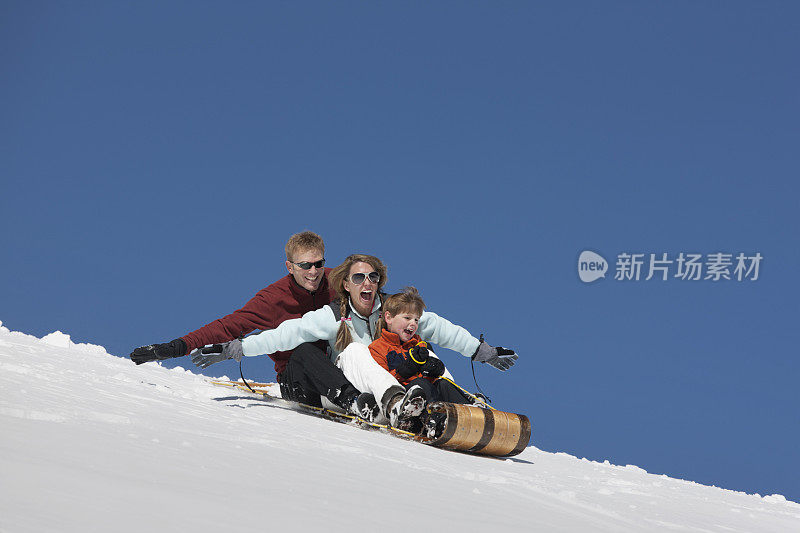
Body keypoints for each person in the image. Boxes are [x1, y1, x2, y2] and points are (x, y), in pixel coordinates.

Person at [192, 254, 518, 428]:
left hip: (392, 391)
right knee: (340, 350)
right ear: (345, 284)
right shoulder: (331, 316)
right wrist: (238, 348)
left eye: (373, 277)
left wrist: (479, 351)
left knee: (423, 349)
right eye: (358, 277)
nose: (367, 282)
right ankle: (381, 403)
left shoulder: (394, 312)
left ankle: (457, 405)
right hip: (338, 391)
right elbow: (285, 334)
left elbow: (439, 327)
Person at [128, 231, 378, 420]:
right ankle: (356, 402)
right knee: (304, 350)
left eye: (318, 264)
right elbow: (227, 326)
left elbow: (379, 305)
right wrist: (173, 348)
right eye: (305, 266)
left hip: (339, 371)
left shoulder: (339, 282)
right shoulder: (273, 299)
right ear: (290, 267)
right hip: (299, 384)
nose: (313, 272)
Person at [369, 287, 478, 406]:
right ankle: (433, 416)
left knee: (443, 384)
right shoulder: (377, 348)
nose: (413, 323)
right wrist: (403, 371)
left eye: (416, 320)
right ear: (389, 318)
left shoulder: (418, 344)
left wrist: (434, 369)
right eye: (407, 318)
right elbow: (380, 382)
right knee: (420, 383)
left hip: (429, 394)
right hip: (405, 400)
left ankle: (469, 410)